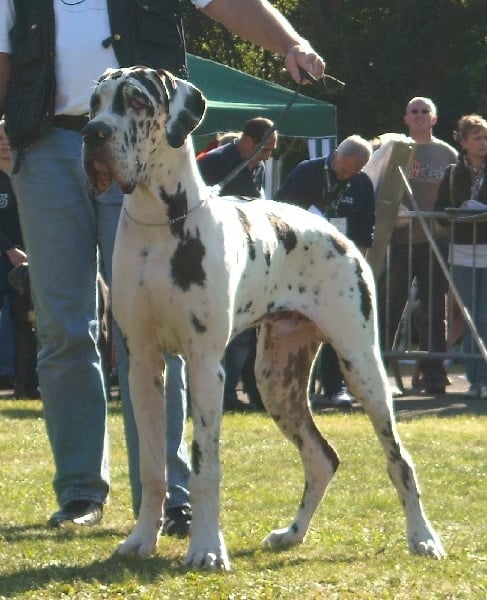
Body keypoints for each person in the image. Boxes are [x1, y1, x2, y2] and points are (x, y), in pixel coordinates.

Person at [0, 1, 325, 531]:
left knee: (163, 329)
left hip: (148, 149)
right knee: (62, 326)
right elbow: (3, 53)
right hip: (44, 146)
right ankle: (81, 494)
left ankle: (171, 496)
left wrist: (290, 43)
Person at [275, 135, 374, 408]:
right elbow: (279, 209)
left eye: (352, 173)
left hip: (339, 268)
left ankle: (334, 387)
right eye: (343, 171)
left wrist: (359, 270)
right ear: (337, 156)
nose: (345, 177)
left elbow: (366, 229)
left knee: (336, 326)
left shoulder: (363, 183)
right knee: (294, 326)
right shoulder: (307, 171)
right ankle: (289, 386)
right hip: (302, 263)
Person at [377, 97, 458, 395]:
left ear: (434, 118)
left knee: (434, 309)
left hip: (434, 240)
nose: (420, 115)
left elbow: (455, 192)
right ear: (406, 118)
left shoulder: (447, 153)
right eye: (415, 111)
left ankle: (434, 372)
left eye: (426, 111)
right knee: (392, 305)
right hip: (400, 242)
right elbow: (379, 187)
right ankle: (379, 369)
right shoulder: (395, 151)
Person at [198, 117, 278, 411]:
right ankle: (218, 396)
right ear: (247, 142)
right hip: (214, 260)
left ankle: (241, 394)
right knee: (225, 334)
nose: (268, 156)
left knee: (246, 332)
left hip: (245, 259)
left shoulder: (258, 166)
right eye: (265, 149)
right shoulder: (213, 163)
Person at [434, 114, 487, 399]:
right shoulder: (454, 172)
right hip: (463, 251)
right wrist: (458, 212)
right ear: (464, 141)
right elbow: (440, 209)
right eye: (476, 137)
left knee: (485, 316)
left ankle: (485, 378)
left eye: (486, 137)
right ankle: (475, 379)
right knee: (469, 318)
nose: (483, 143)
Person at [0, 119, 38, 399]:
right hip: (6, 255)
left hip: (31, 258)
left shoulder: (29, 174)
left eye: (7, 135)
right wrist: (8, 248)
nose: (3, 141)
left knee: (27, 322)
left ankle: (25, 385)